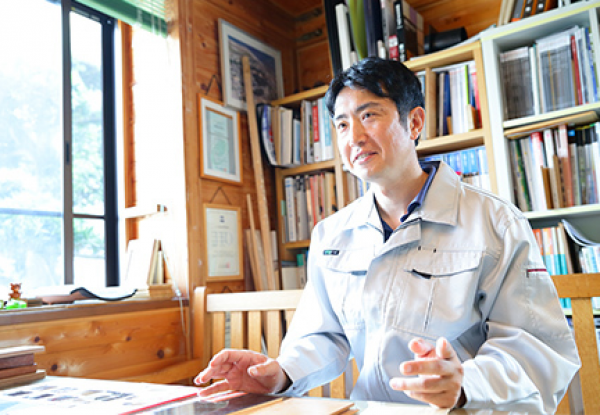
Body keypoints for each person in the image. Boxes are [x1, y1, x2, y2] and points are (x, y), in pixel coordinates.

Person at [195, 57, 580, 412]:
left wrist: (466, 382)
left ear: (414, 123)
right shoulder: (331, 234)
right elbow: (325, 335)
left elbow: (536, 346)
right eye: (342, 124)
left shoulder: (496, 222)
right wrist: (278, 374)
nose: (354, 136)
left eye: (369, 115)